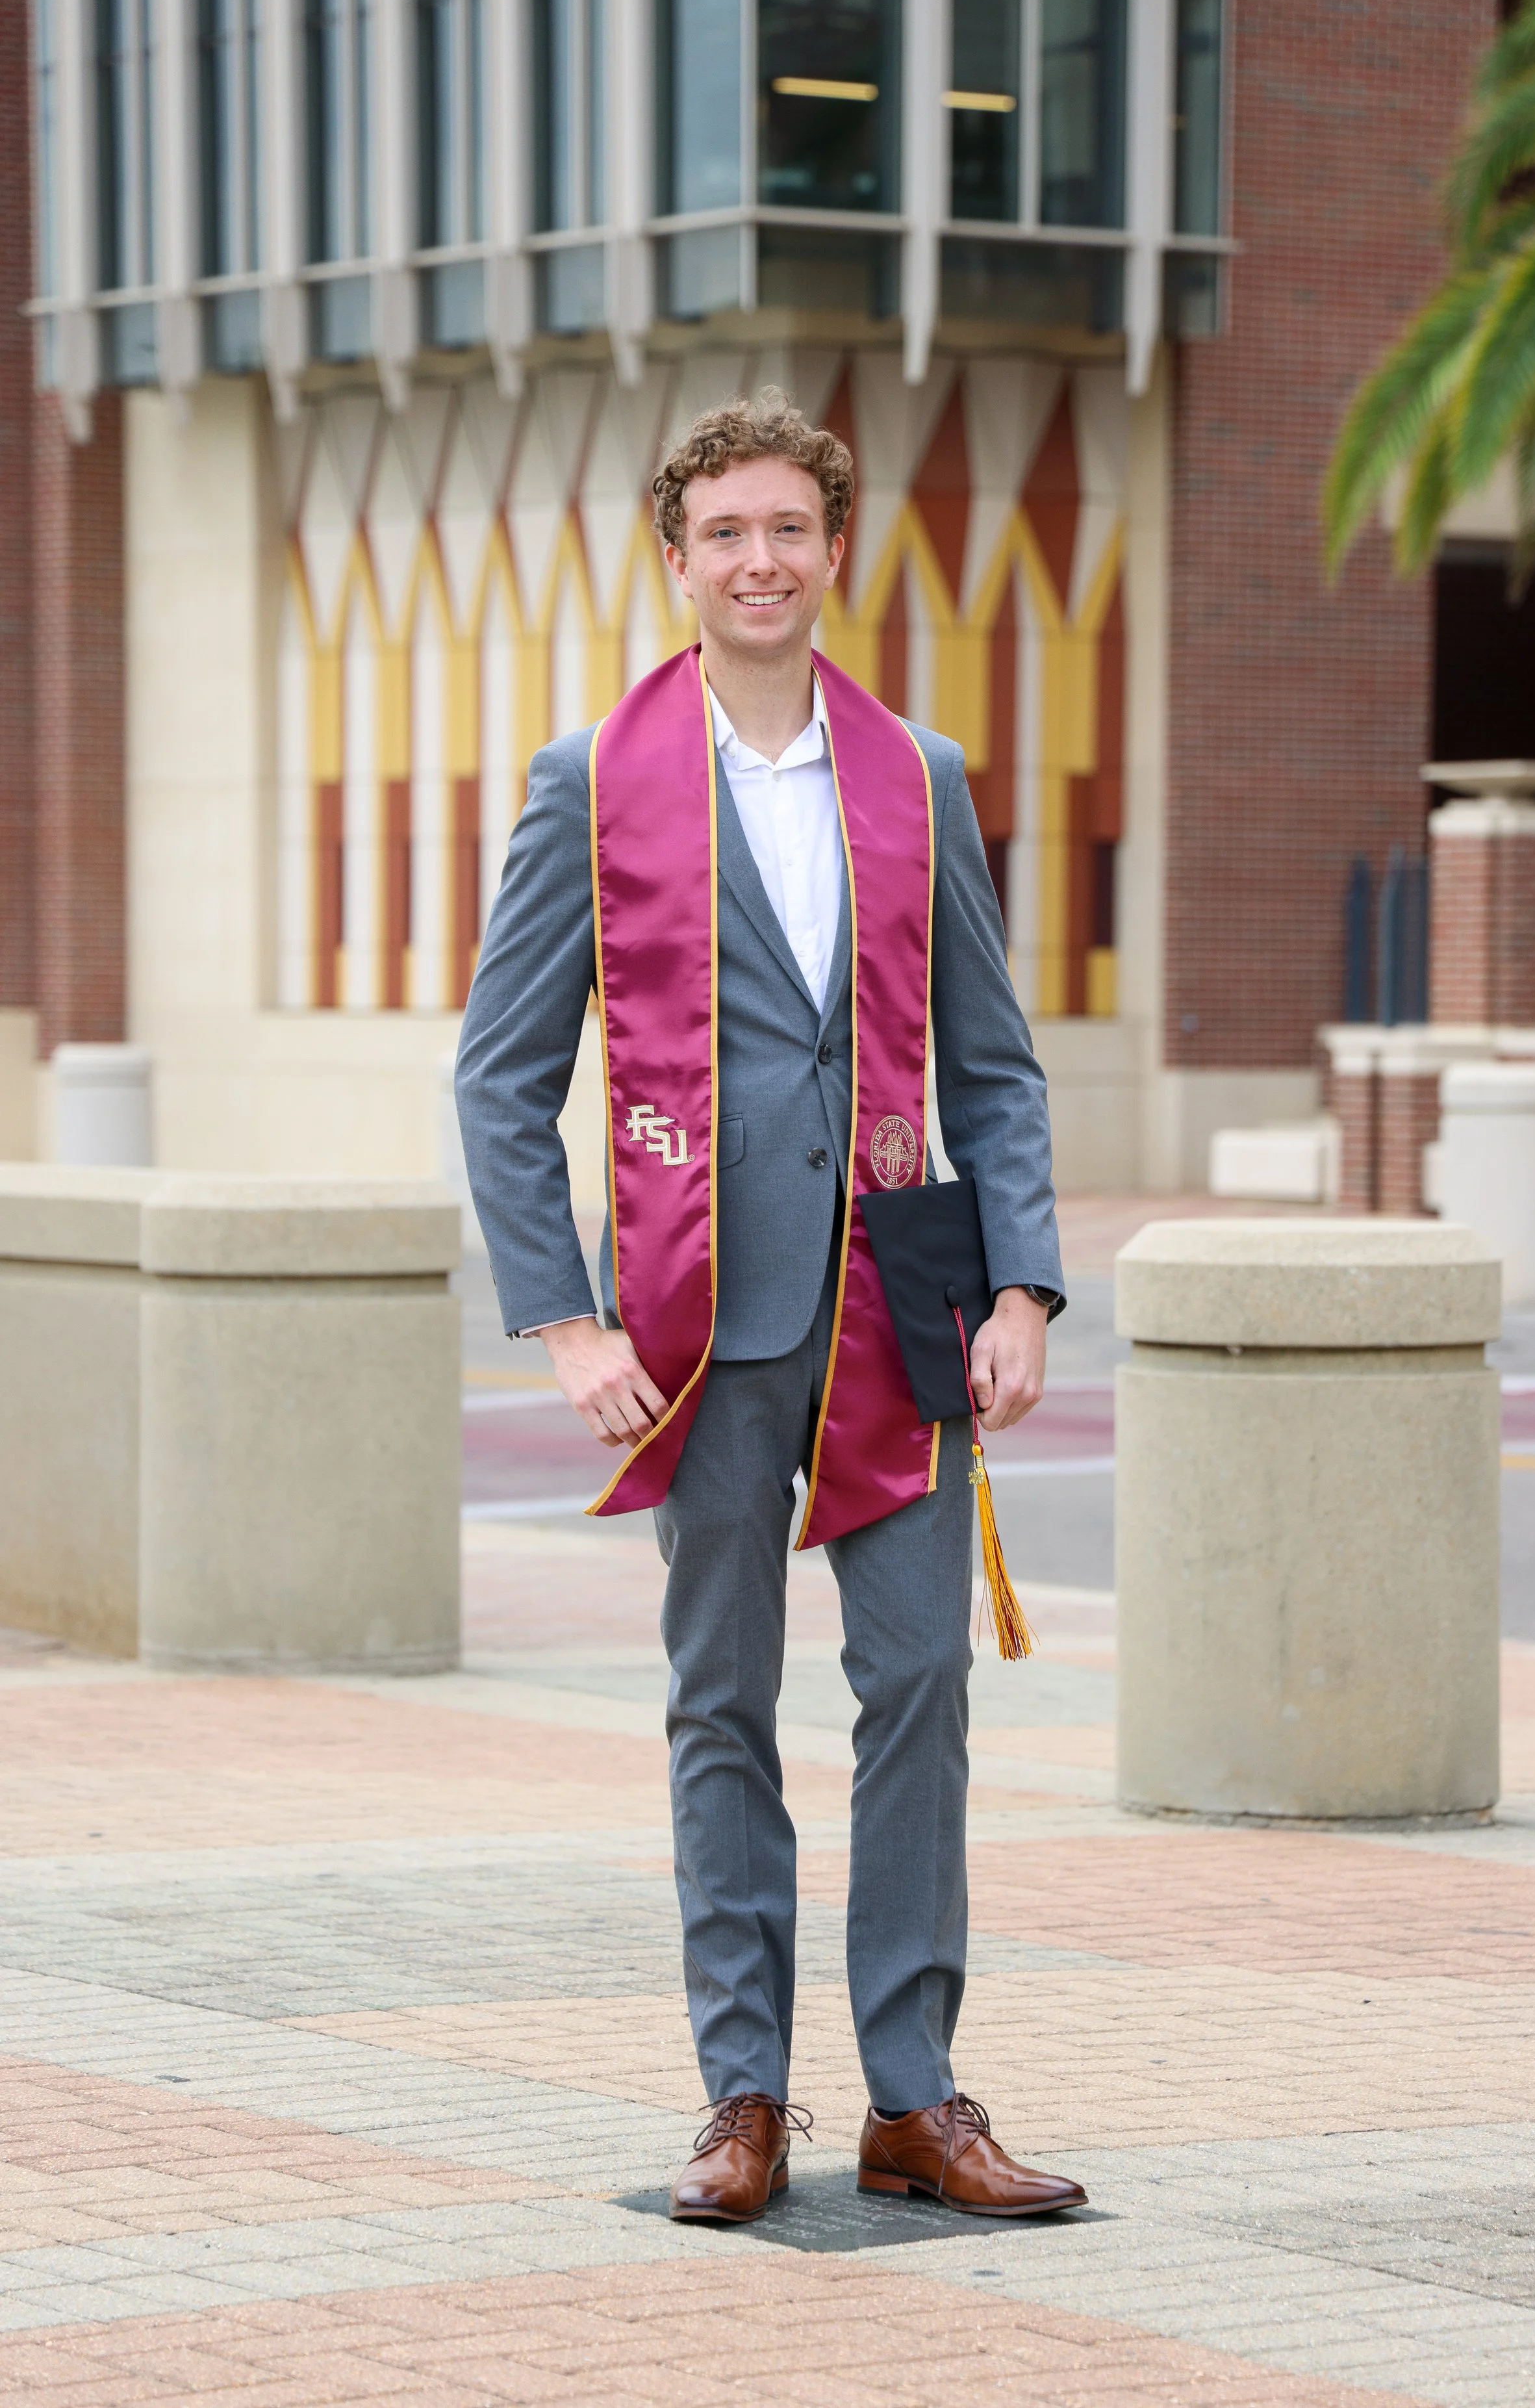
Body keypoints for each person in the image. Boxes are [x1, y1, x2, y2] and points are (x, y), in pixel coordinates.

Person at [456, 391, 1084, 2225]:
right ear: (677, 558)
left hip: (899, 1300)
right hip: (692, 1317)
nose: (757, 561)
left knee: (919, 1683)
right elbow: (502, 1075)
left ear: (832, 548)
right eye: (722, 532)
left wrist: (1028, 1279)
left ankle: (910, 2093)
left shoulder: (921, 774)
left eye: (786, 530)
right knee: (719, 1698)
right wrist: (564, 1319)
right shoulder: (591, 782)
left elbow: (994, 1059)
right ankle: (742, 2090)